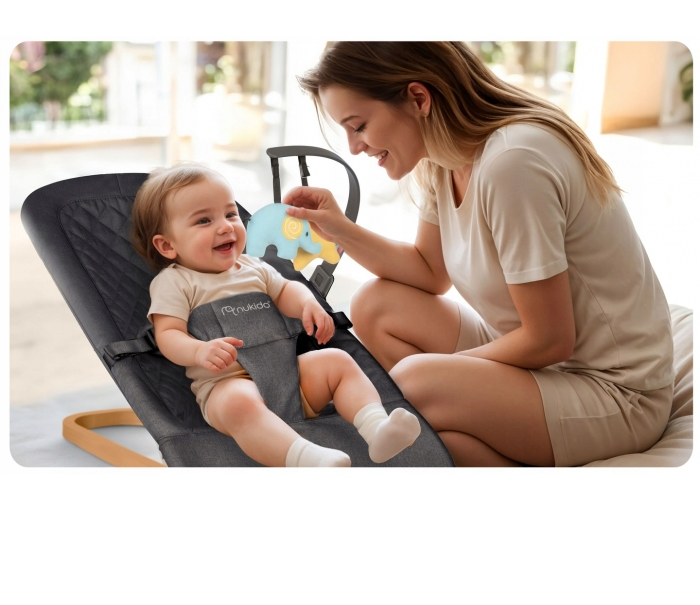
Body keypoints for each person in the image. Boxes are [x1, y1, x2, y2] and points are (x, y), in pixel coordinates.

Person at [283, 41, 674, 467]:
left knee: (415, 383)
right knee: (375, 305)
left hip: (613, 392)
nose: (354, 147)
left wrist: (440, 374)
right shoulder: (445, 159)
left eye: (358, 126)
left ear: (418, 98)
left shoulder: (513, 163)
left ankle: (447, 430)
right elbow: (430, 271)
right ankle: (451, 434)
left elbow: (550, 338)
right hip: (538, 360)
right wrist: (339, 228)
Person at [130, 164, 421, 467]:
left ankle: (377, 429)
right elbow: (168, 334)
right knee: (236, 403)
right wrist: (198, 350)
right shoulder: (176, 282)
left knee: (338, 361)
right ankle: (306, 459)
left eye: (230, 214)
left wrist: (308, 303)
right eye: (204, 220)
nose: (226, 226)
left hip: (290, 377)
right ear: (167, 245)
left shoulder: (254, 267)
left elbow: (286, 291)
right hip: (227, 383)